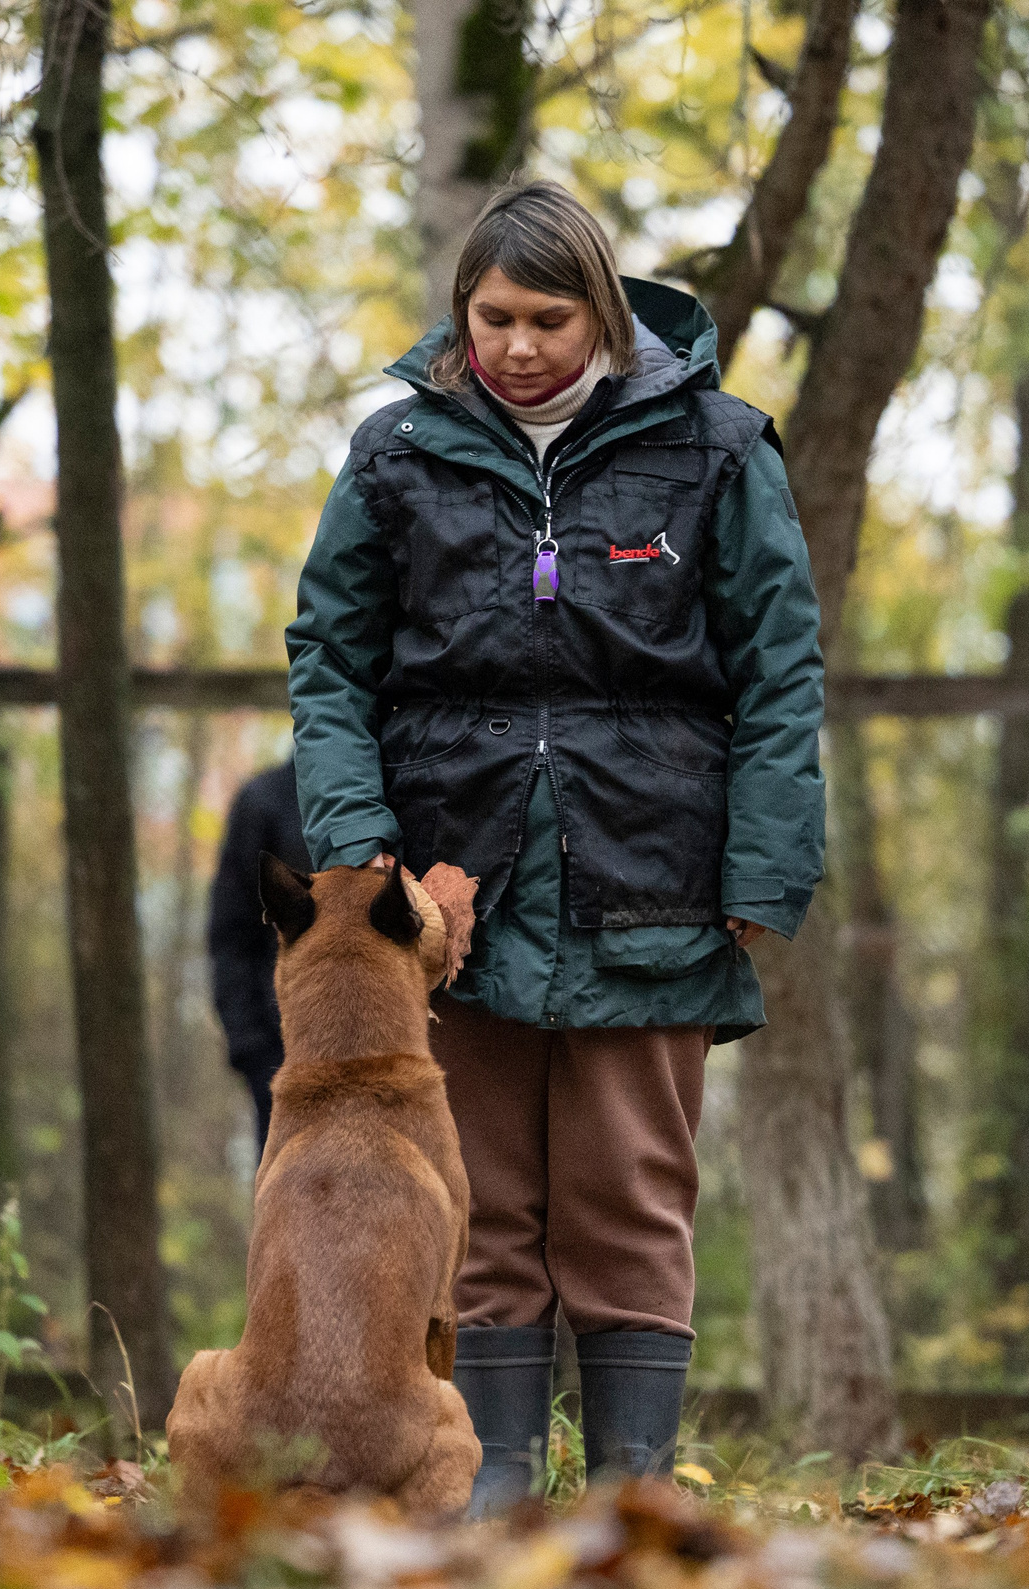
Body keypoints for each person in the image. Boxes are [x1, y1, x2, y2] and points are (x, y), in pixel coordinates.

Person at [287, 181, 823, 1515]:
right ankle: (504, 1483)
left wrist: (763, 869)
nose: (518, 345)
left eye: (547, 316)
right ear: (461, 312)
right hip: (450, 887)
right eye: (492, 316)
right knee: (483, 1198)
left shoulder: (718, 448)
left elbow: (782, 669)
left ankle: (637, 1486)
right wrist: (362, 860)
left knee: (629, 1190)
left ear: (602, 312)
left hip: (657, 871)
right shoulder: (395, 453)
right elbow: (330, 661)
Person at [207, 758, 307, 1159]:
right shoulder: (265, 801)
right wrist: (251, 1048)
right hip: (281, 1059)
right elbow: (232, 933)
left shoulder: (397, 792)